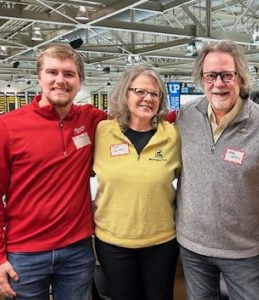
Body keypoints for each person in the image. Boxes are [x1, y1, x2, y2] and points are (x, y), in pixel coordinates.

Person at [0, 44, 106, 299]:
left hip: (77, 250)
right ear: (40, 78)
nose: (61, 80)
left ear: (80, 82)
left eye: (69, 74)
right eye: (52, 72)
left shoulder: (91, 120)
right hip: (24, 254)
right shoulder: (5, 127)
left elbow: (135, 121)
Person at [175, 40, 259, 299]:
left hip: (242, 251)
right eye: (210, 76)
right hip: (192, 247)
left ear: (240, 77)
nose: (218, 84)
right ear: (201, 79)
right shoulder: (185, 117)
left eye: (227, 75)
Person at [93, 64, 181, 300]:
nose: (147, 98)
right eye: (140, 91)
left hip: (161, 242)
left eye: (154, 93)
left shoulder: (172, 135)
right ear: (125, 94)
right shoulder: (101, 132)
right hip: (113, 243)